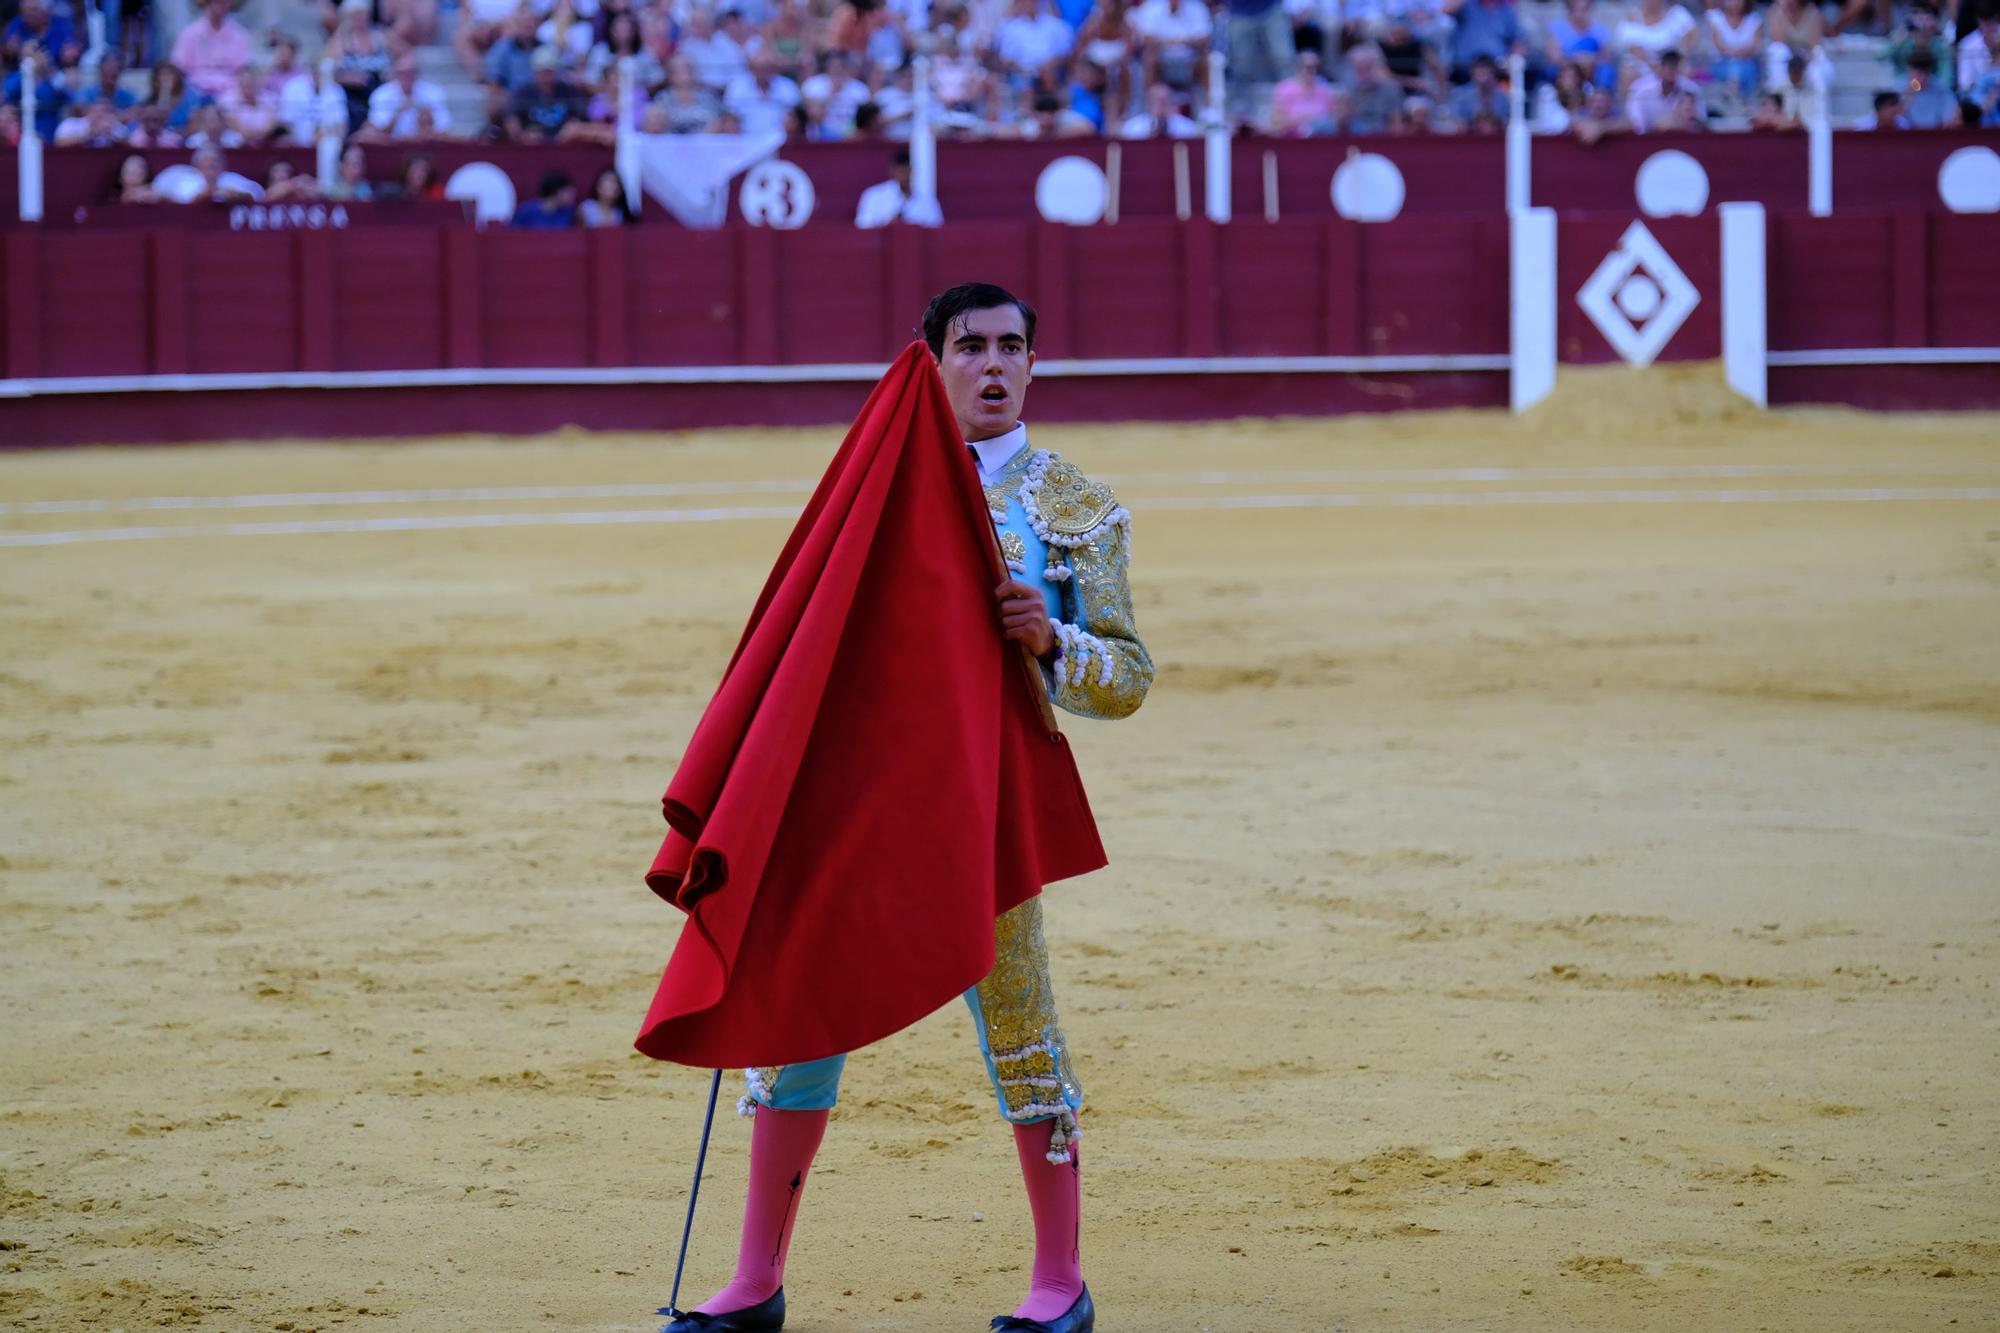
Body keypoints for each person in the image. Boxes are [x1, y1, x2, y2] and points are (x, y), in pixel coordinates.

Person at [661, 280, 1150, 1333]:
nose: (990, 365)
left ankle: (1058, 1284)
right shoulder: (874, 492)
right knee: (796, 1023)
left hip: (986, 813)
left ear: (1032, 365)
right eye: (968, 346)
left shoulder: (1073, 507)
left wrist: (1054, 640)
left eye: (1009, 347)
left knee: (1022, 1030)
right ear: (929, 362)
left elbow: (1128, 678)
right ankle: (753, 1283)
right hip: (863, 804)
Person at [367, 51, 453, 137]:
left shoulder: (434, 92)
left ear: (417, 73)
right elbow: (378, 127)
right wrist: (398, 112)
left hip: (425, 143)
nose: (406, 77)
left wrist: (424, 114)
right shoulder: (381, 94)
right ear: (394, 74)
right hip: (391, 144)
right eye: (402, 73)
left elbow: (443, 126)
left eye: (410, 73)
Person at [854, 146, 943, 226]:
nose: (903, 175)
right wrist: (887, 223)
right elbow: (862, 224)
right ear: (892, 170)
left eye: (906, 171)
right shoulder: (874, 195)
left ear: (912, 171)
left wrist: (911, 225)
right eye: (900, 171)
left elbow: (937, 226)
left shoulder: (926, 199)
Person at [1625, 48, 1705, 130]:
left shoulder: (1692, 89)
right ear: (1659, 66)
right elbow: (1636, 124)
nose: (1670, 69)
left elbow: (1700, 122)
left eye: (1675, 64)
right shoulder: (1640, 89)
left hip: (1683, 138)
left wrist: (1676, 125)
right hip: (1649, 139)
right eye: (1666, 64)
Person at [1118, 79, 1200, 135]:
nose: (1161, 105)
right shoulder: (1132, 127)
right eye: (1156, 101)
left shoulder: (1187, 126)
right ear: (1149, 103)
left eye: (1165, 101)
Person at [511, 167, 579, 225]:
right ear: (557, 192)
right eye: (568, 191)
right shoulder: (527, 211)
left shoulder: (569, 213)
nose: (573, 195)